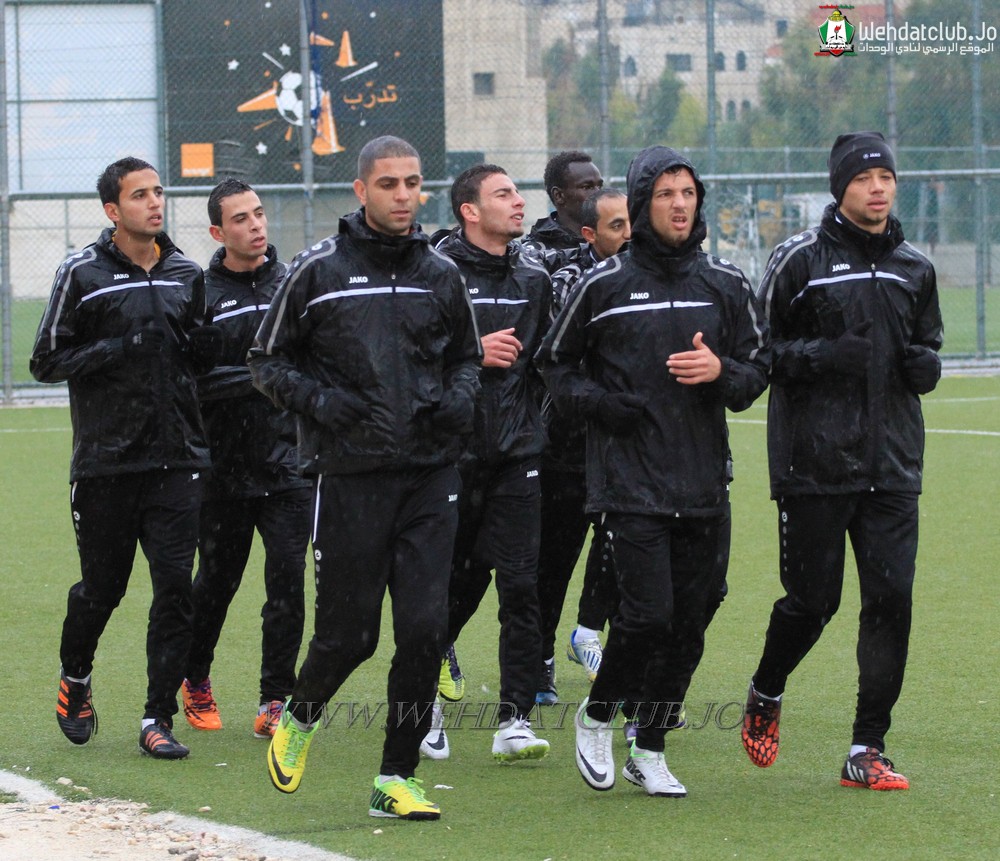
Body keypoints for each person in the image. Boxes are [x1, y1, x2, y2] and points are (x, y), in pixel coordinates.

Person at [248, 135, 482, 821]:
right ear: (361, 190)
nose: (403, 195)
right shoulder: (317, 270)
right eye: (388, 184)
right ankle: (301, 715)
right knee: (351, 636)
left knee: (424, 630)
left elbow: (467, 358)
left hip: (430, 475)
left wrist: (461, 397)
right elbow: (266, 362)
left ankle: (395, 777)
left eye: (412, 182)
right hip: (349, 476)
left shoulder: (441, 272)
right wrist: (321, 403)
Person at [536, 145, 769, 798]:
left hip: (703, 482)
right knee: (645, 617)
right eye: (665, 193)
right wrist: (604, 405)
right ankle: (598, 715)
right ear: (641, 204)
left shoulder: (725, 283)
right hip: (628, 484)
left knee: (692, 619)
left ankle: (651, 744)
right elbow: (555, 366)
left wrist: (721, 371)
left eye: (687, 192)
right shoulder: (603, 284)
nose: (678, 204)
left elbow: (757, 370)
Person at [740, 131, 942, 791]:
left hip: (893, 466)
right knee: (812, 602)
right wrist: (824, 355)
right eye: (863, 178)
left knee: (891, 601)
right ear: (840, 187)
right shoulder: (799, 259)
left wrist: (926, 365)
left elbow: (928, 344)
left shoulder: (915, 266)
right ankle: (768, 687)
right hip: (814, 465)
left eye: (886, 176)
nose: (877, 188)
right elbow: (758, 353)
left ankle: (867, 747)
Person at [31, 156, 222, 760]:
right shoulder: (80, 273)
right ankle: (76, 677)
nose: (155, 202)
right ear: (113, 210)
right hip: (106, 465)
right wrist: (117, 347)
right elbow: (45, 361)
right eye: (140, 195)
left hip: (179, 462)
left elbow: (198, 355)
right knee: (102, 590)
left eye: (158, 191)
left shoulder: (187, 273)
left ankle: (156, 717)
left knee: (176, 591)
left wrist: (204, 348)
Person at [179, 179, 313, 739]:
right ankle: (195, 677)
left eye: (258, 213)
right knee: (215, 583)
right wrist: (262, 377)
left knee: (287, 585)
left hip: (290, 467)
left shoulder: (293, 284)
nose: (255, 225)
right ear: (218, 232)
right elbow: (193, 382)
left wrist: (272, 379)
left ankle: (274, 698)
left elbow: (309, 368)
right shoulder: (200, 294)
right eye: (240, 218)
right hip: (223, 471)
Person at [429, 164, 552, 763]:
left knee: (523, 586)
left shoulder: (536, 277)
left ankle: (515, 719)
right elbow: (408, 359)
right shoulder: (435, 274)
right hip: (451, 456)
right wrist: (472, 352)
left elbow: (550, 361)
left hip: (517, 455)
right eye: (504, 194)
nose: (518, 201)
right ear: (469, 210)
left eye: (517, 192)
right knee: (451, 586)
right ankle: (421, 704)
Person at [534, 187, 631, 706]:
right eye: (617, 226)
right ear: (590, 234)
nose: (630, 235)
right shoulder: (569, 278)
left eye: (633, 223)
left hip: (627, 442)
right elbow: (563, 357)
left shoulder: (651, 275)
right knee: (555, 557)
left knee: (623, 549)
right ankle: (539, 659)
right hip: (569, 442)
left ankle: (592, 635)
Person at [522, 150, 604, 272]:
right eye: (587, 187)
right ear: (559, 196)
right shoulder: (533, 256)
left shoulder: (613, 240)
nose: (600, 194)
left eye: (600, 186)